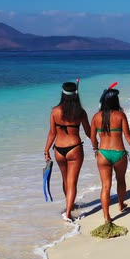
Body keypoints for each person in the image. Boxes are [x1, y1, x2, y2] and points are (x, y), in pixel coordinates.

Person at [90, 87, 130, 223]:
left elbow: (92, 136)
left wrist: (95, 149)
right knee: (121, 180)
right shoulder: (120, 116)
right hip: (119, 153)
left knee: (105, 186)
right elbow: (127, 135)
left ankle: (107, 217)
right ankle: (121, 204)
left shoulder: (96, 117)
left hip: (103, 154)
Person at [44, 82, 90, 222]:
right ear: (76, 95)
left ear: (62, 94)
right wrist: (97, 144)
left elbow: (52, 133)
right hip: (74, 148)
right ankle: (68, 213)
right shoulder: (80, 112)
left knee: (65, 180)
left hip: (59, 149)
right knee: (72, 182)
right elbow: (88, 132)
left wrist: (46, 150)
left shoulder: (55, 111)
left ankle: (69, 205)